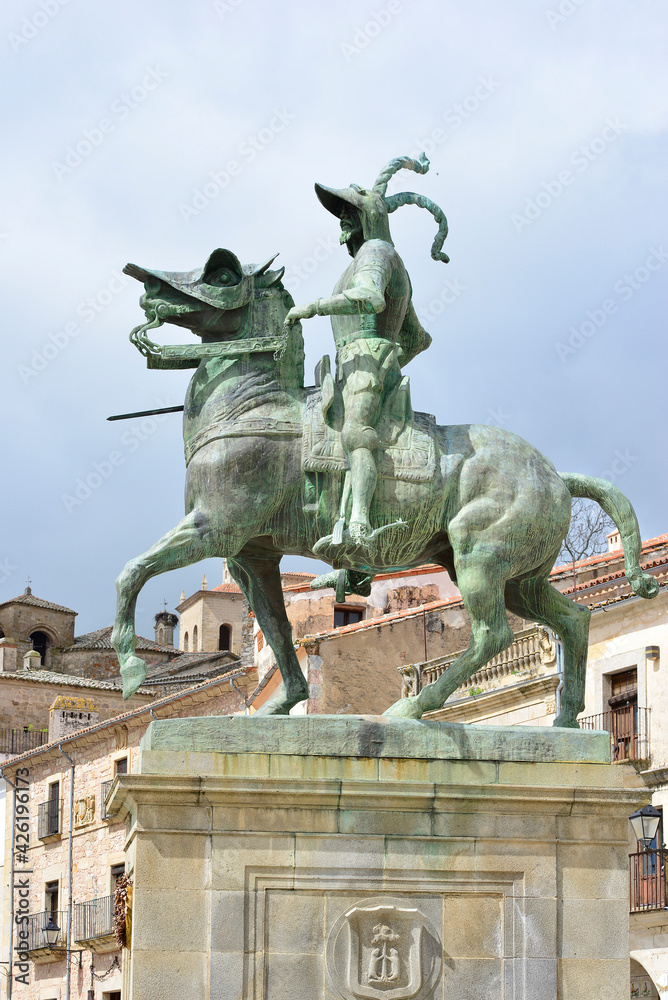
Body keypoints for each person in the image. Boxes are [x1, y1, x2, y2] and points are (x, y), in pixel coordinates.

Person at [285, 154, 449, 558]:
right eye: (341, 216)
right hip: (352, 363)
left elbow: (371, 297)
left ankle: (359, 522)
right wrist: (391, 361)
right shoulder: (378, 259)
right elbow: (419, 338)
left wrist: (315, 308)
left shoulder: (377, 252)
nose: (342, 225)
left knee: (357, 433)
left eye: (348, 215)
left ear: (368, 220)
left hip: (365, 361)